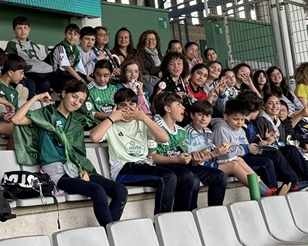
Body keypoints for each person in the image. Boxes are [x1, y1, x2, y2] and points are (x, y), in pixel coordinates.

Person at [12, 81, 128, 227]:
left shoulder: (76, 123)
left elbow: (78, 153)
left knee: (120, 190)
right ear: (64, 93)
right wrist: (36, 98)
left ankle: (109, 232)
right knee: (97, 191)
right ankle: (111, 234)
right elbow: (16, 119)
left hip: (75, 169)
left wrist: (83, 170)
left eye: (81, 101)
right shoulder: (46, 114)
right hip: (56, 173)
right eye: (74, 97)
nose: (76, 103)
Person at [90, 87, 195, 214]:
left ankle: (180, 217)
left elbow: (164, 138)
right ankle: (162, 220)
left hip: (144, 164)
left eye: (131, 104)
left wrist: (144, 118)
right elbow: (94, 137)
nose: (128, 108)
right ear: (116, 107)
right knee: (168, 177)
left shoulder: (142, 123)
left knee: (186, 176)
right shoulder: (112, 124)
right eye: (123, 105)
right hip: (124, 169)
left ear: (137, 106)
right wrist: (112, 117)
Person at [151, 92, 227, 208]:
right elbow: (152, 157)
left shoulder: (181, 131)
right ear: (167, 108)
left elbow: (187, 157)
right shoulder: (156, 127)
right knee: (191, 178)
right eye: (179, 105)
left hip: (181, 164)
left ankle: (214, 212)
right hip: (164, 166)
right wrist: (177, 159)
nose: (183, 107)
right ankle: (184, 215)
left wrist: (194, 158)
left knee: (220, 176)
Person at [211, 98, 287, 196]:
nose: (239, 123)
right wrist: (246, 149)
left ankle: (269, 190)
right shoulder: (221, 129)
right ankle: (267, 193)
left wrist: (255, 147)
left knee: (241, 161)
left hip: (237, 158)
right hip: (222, 160)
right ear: (226, 117)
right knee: (253, 163)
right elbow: (225, 152)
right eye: (236, 119)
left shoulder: (240, 129)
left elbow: (245, 145)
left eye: (242, 119)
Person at [186, 99, 255, 198]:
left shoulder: (207, 131)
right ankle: (262, 192)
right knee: (233, 166)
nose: (203, 119)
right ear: (192, 115)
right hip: (199, 165)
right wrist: (215, 154)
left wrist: (219, 150)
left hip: (210, 161)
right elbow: (195, 160)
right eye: (200, 114)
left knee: (238, 160)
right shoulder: (189, 132)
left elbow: (211, 150)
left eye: (207, 116)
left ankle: (267, 190)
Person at [4, 15, 52, 95]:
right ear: (13, 30)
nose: (23, 31)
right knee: (44, 83)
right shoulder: (12, 44)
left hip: (45, 70)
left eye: (25, 28)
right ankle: (45, 104)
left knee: (68, 81)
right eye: (19, 28)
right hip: (29, 71)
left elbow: (40, 60)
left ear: (29, 29)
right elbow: (12, 62)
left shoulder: (34, 45)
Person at [48, 23, 86, 91]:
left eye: (75, 34)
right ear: (64, 35)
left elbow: (80, 69)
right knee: (75, 82)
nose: (72, 36)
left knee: (86, 79)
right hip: (57, 75)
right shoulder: (61, 47)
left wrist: (89, 79)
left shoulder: (76, 50)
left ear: (78, 37)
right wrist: (81, 80)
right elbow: (67, 67)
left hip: (68, 74)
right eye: (69, 34)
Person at [83, 60, 118, 124]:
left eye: (105, 76)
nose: (102, 79)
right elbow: (91, 112)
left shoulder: (113, 89)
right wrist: (110, 116)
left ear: (111, 75)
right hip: (96, 123)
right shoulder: (88, 90)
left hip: (115, 120)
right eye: (98, 75)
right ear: (94, 73)